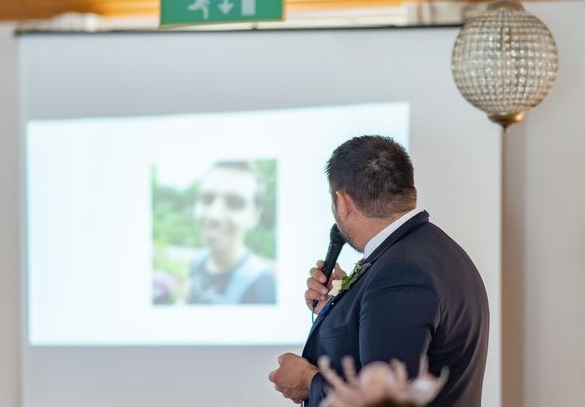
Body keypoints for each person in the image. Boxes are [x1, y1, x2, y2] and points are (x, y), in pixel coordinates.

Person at [269, 136, 489, 406]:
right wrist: (340, 309)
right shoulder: (431, 249)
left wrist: (308, 382)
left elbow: (386, 400)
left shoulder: (401, 272)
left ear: (343, 203)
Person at [187, 160, 276, 305]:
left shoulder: (263, 284)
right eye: (207, 199)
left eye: (234, 203)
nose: (214, 215)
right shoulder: (196, 264)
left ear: (254, 216)